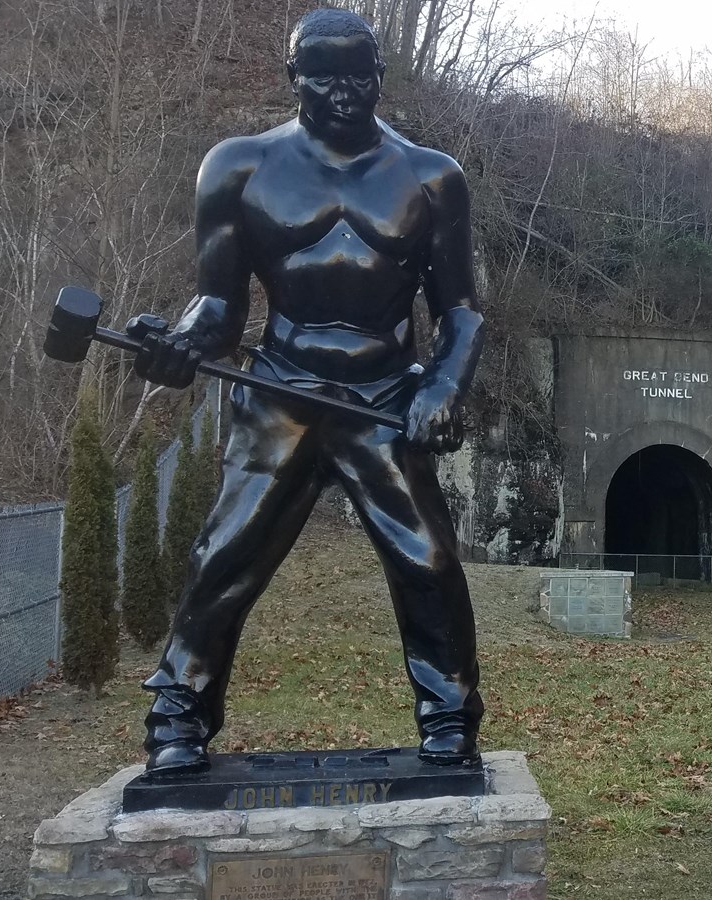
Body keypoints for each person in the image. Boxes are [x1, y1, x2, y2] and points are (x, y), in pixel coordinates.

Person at [132, 8, 485, 775]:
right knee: (224, 555)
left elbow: (459, 309)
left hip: (383, 395)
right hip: (283, 387)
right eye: (323, 75)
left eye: (359, 73)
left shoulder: (430, 176)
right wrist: (184, 345)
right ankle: (178, 712)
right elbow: (219, 308)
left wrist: (445, 388)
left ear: (380, 75)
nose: (343, 91)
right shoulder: (239, 168)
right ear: (293, 76)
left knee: (427, 560)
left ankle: (450, 718)